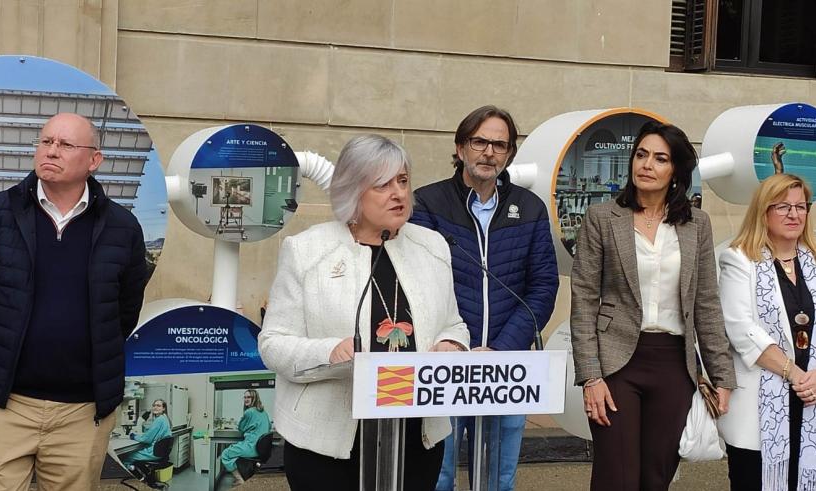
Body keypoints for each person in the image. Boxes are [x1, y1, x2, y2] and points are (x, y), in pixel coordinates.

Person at [0, 112, 150, 490]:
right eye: (46, 142)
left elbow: (124, 313)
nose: (52, 151)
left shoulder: (123, 228)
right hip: (3, 405)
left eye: (65, 144)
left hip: (82, 412)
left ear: (94, 161)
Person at [259, 134, 470, 491]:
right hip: (329, 445)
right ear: (352, 190)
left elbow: (454, 323)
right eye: (382, 184)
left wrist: (452, 343)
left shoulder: (432, 246)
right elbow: (273, 344)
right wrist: (330, 352)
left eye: (402, 181)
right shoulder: (308, 251)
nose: (399, 193)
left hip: (415, 438)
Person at [570, 121, 736, 490]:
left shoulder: (697, 224)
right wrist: (591, 376)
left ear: (675, 170)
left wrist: (721, 376)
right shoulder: (602, 218)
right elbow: (583, 300)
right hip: (616, 363)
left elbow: (707, 303)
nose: (647, 164)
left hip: (675, 364)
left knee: (656, 478)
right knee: (617, 477)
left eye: (660, 158)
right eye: (641, 155)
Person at [411, 105, 558, 491]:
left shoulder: (530, 208)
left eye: (499, 145)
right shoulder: (427, 203)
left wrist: (501, 348)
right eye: (479, 142)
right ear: (460, 148)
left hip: (505, 367)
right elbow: (420, 283)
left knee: (496, 479)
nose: (488, 152)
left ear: (509, 153)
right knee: (436, 478)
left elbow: (542, 287)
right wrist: (454, 342)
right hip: (444, 362)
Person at [717, 173, 816, 490]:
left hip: (812, 401)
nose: (794, 214)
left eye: (801, 207)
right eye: (783, 207)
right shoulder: (738, 260)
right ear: (763, 211)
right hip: (760, 410)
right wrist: (795, 374)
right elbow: (740, 328)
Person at [220, 389, 272, 486]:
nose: (246, 399)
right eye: (245, 397)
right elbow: (269, 426)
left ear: (254, 398)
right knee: (234, 448)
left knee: (225, 454)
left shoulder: (249, 412)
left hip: (251, 447)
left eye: (249, 397)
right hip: (262, 450)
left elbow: (241, 428)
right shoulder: (264, 412)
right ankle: (245, 475)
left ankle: (239, 479)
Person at [123, 399, 173, 469]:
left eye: (158, 406)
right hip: (161, 452)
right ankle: (137, 471)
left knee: (128, 455)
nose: (155, 407)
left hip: (154, 452)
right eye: (154, 405)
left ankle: (131, 472)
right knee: (138, 451)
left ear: (163, 408)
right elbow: (153, 431)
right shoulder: (165, 418)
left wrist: (133, 436)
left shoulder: (159, 420)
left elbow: (146, 439)